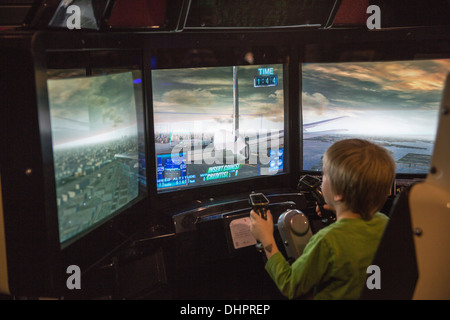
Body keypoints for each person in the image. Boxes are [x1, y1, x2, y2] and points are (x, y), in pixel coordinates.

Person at [250, 139, 395, 300]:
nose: (321, 179)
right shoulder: (387, 224)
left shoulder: (327, 241)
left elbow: (290, 285)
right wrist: (339, 208)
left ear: (338, 194)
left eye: (324, 175)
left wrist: (266, 238)